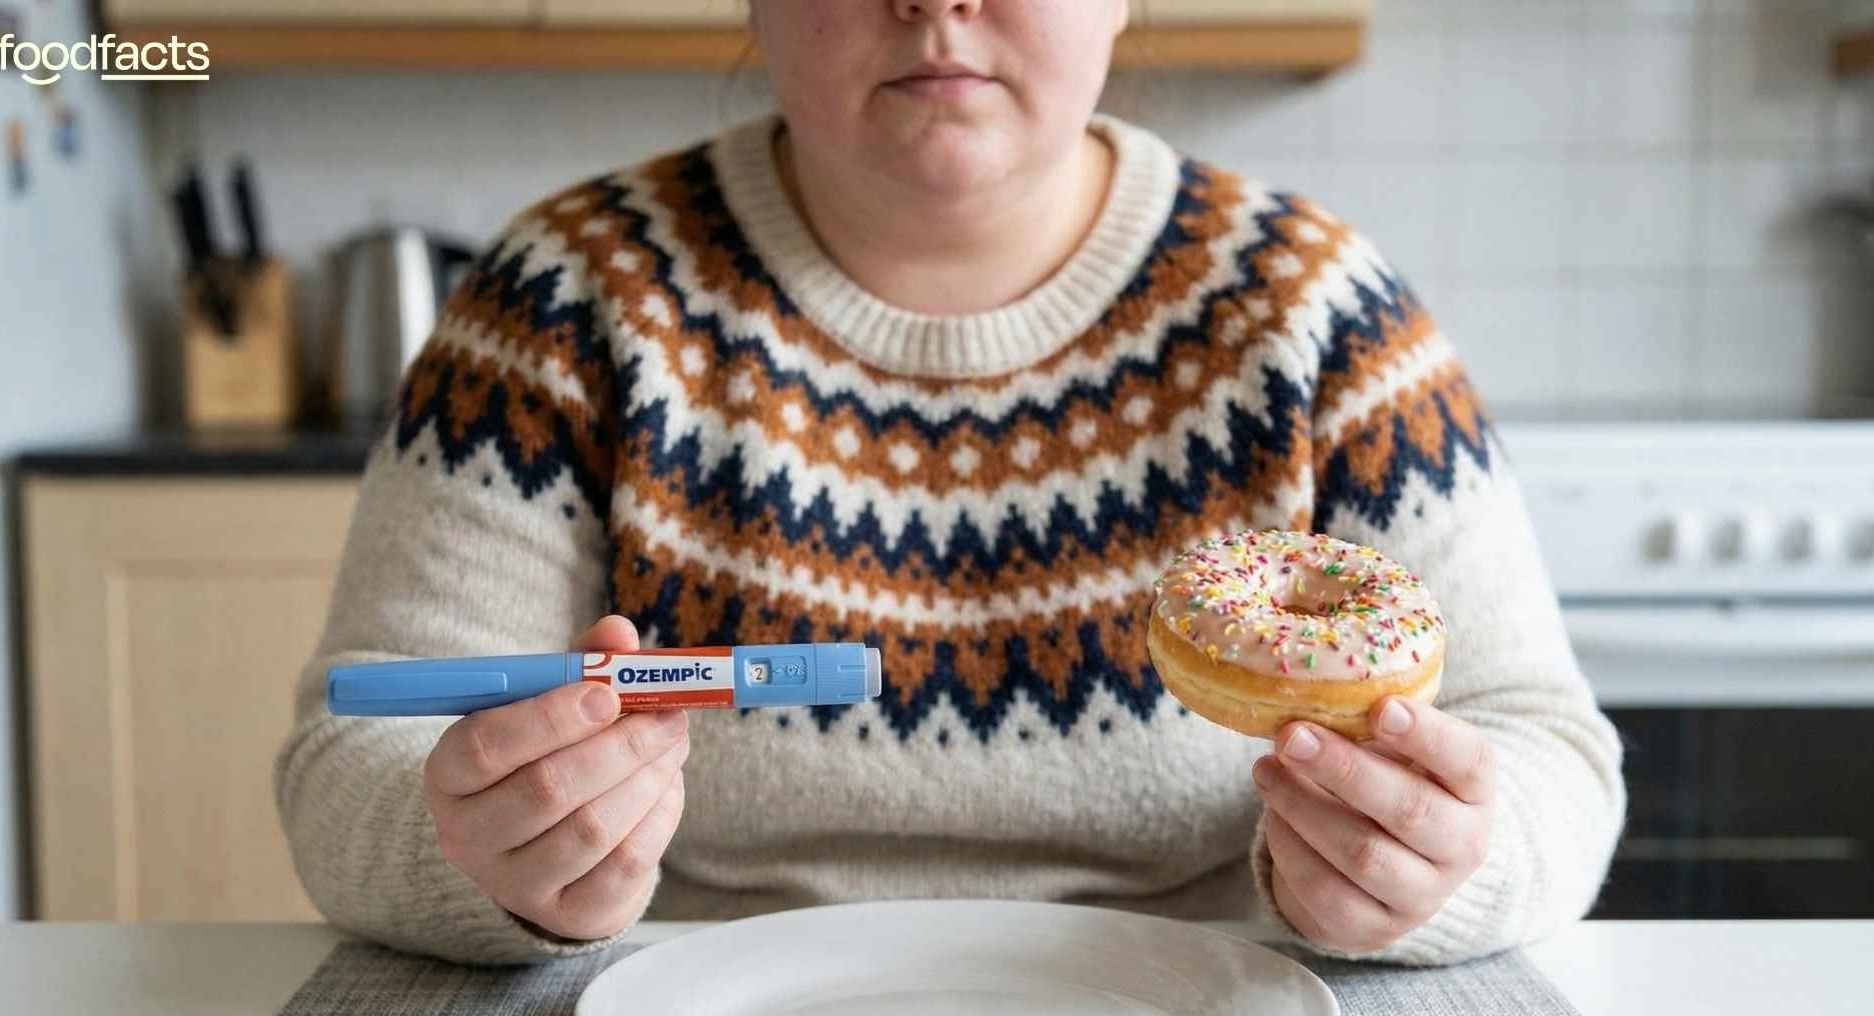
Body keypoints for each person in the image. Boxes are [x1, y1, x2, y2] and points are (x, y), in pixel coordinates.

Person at [278, 0, 1624, 967]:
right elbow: (354, 761)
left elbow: (1546, 749)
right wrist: (488, 854)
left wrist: (1439, 868)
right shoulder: (567, 300)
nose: (935, 5)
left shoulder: (1316, 312)